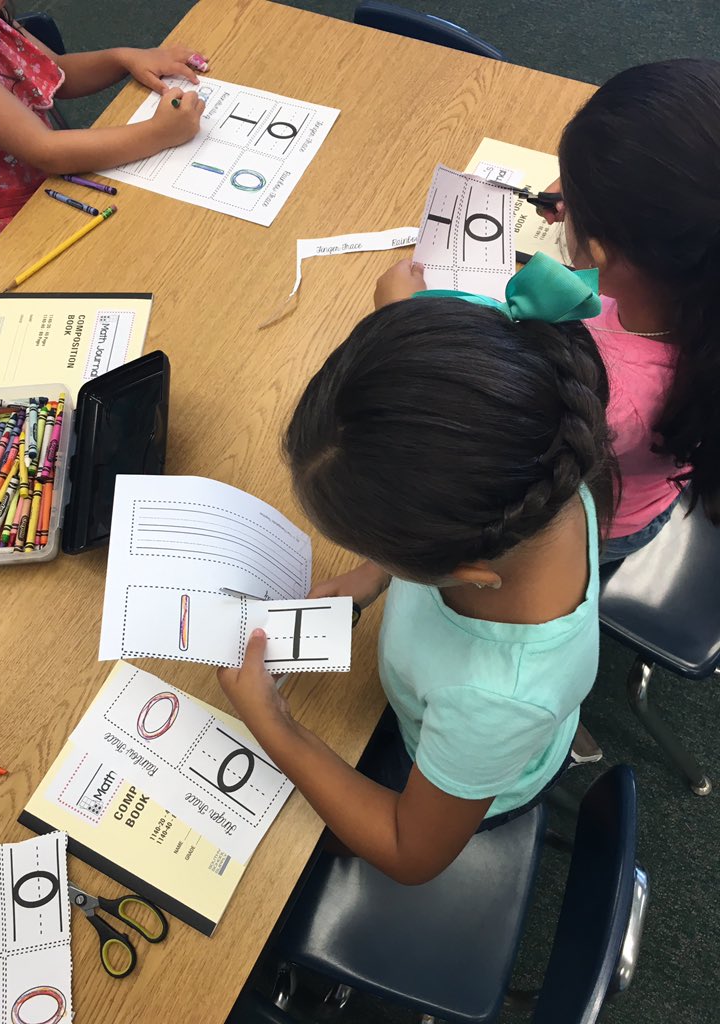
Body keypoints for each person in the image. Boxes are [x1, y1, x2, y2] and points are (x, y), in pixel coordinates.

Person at [219, 256, 614, 884]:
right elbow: (447, 441)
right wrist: (372, 573)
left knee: (287, 867)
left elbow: (411, 852)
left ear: (464, 567)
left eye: (386, 549)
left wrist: (275, 724)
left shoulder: (492, 697)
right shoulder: (545, 477)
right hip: (456, 719)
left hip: (464, 775)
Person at [537, 59, 720, 560]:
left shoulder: (611, 393)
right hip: (654, 483)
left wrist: (406, 315)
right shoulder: (692, 304)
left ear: (597, 251)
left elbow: (498, 459)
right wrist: (597, 197)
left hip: (601, 523)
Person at [0, 1, 207, 276]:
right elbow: (45, 151)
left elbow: (58, 71)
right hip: (12, 229)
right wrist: (159, 132)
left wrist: (124, 58)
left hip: (58, 185)